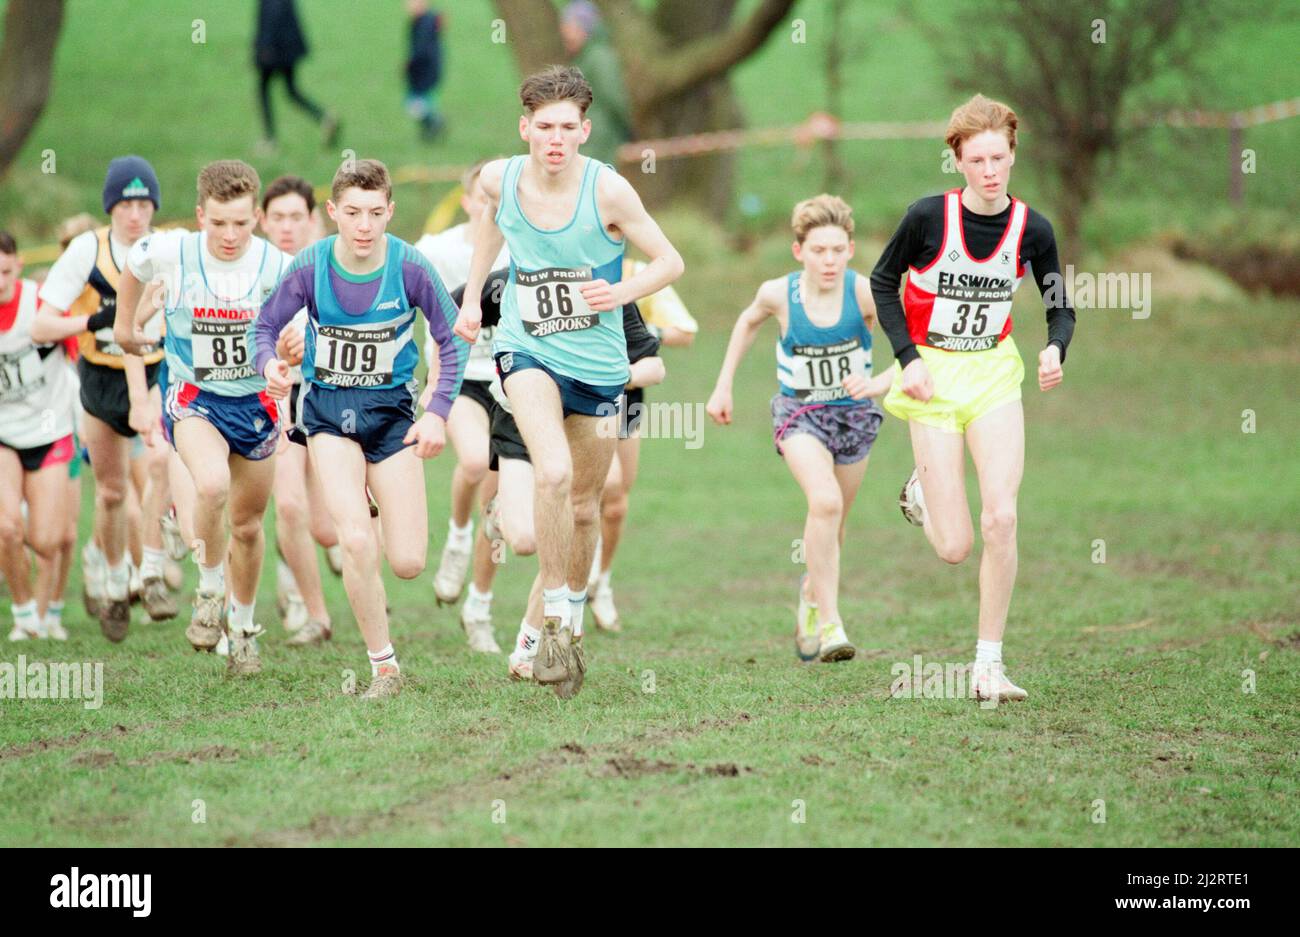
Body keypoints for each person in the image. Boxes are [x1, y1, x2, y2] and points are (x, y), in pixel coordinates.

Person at [455, 64, 684, 697]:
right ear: (525, 127)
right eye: (544, 127)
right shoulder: (502, 177)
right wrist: (474, 298)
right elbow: (488, 222)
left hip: (601, 367)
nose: (555, 139)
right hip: (528, 352)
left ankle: (557, 626)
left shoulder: (608, 192)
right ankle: (556, 615)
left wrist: (620, 290)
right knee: (551, 474)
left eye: (567, 127)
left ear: (585, 131)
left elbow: (671, 261)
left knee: (584, 506)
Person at [869, 94, 1076, 702]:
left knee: (1002, 517)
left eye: (1000, 158)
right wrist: (906, 359)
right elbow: (884, 280)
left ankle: (988, 664)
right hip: (931, 375)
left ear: (1013, 156)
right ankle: (919, 494)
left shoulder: (1032, 229)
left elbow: (1059, 300)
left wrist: (1055, 348)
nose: (990, 170)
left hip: (993, 374)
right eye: (978, 158)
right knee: (956, 547)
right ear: (957, 159)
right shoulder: (927, 218)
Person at [256, 158, 467, 700]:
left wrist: (438, 411)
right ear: (333, 213)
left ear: (390, 212)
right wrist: (270, 367)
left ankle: (374, 504)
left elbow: (453, 338)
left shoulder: (410, 267)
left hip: (393, 417)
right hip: (327, 415)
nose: (365, 225)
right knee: (353, 540)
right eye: (352, 213)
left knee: (408, 562)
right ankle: (384, 667)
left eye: (376, 213)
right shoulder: (310, 265)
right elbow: (264, 325)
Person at [116, 159, 290, 676]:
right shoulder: (171, 250)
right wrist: (127, 326)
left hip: (256, 405)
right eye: (218, 223)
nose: (229, 235)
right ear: (199, 216)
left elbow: (297, 331)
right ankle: (210, 590)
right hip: (194, 397)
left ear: (256, 216)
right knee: (211, 485)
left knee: (249, 526)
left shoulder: (277, 266)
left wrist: (293, 350)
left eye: (240, 222)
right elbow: (132, 265)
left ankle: (242, 631)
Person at [707, 195, 889, 663]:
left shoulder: (865, 292)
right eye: (817, 250)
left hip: (854, 415)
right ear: (798, 251)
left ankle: (811, 594)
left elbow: (913, 345)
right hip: (799, 414)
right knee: (823, 502)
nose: (827, 260)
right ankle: (830, 625)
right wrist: (723, 386)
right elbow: (747, 322)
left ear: (850, 249)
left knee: (835, 524)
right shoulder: (778, 294)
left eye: (836, 250)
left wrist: (877, 383)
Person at [32, 155, 173, 641]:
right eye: (126, 203)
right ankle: (114, 579)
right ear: (110, 207)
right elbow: (40, 325)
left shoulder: (169, 249)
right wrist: (93, 321)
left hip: (157, 373)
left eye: (144, 202)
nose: (136, 214)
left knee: (160, 466)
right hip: (100, 379)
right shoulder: (86, 253)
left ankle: (152, 570)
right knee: (112, 493)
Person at [420, 160, 509, 634]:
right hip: (460, 378)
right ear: (470, 202)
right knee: (475, 462)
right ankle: (456, 536)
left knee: (496, 511)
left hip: (514, 382)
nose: (491, 206)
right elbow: (401, 280)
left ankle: (479, 606)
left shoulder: (520, 250)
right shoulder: (438, 250)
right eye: (484, 198)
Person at [587, 255, 697, 631]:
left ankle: (601, 583)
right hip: (586, 396)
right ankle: (575, 579)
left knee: (615, 505)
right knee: (606, 484)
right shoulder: (559, 269)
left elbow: (686, 331)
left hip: (628, 393)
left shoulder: (638, 276)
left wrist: (647, 334)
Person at [258, 174, 335, 647]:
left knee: (326, 528)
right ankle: (315, 613)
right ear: (262, 221)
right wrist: (271, 354)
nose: (287, 227)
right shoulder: (250, 267)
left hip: (327, 398)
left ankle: (331, 556)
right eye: (278, 217)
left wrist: (311, 344)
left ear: (313, 220)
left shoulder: (329, 265)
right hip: (274, 398)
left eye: (296, 217)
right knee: (287, 504)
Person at [0, 232, 78, 642]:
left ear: (19, 263)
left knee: (48, 540)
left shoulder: (42, 303)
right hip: (3, 435)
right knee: (7, 528)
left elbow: (79, 355)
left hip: (49, 428)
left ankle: (47, 608)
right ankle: (25, 612)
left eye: (4, 271)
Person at [254, 0, 338, 152]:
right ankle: (324, 117)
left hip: (275, 48)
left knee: (263, 91)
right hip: (289, 45)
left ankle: (269, 139)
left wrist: (266, 45)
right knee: (291, 91)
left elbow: (272, 13)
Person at [559, 1, 631, 167]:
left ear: (584, 29)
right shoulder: (585, 57)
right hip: (587, 137)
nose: (566, 36)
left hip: (599, 140)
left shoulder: (599, 57)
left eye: (570, 28)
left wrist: (625, 126)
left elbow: (614, 96)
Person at [404, 0, 445, 140]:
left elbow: (422, 49)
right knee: (420, 101)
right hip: (424, 69)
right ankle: (432, 125)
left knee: (415, 103)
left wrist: (410, 63)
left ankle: (435, 122)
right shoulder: (423, 21)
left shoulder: (425, 23)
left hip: (424, 70)